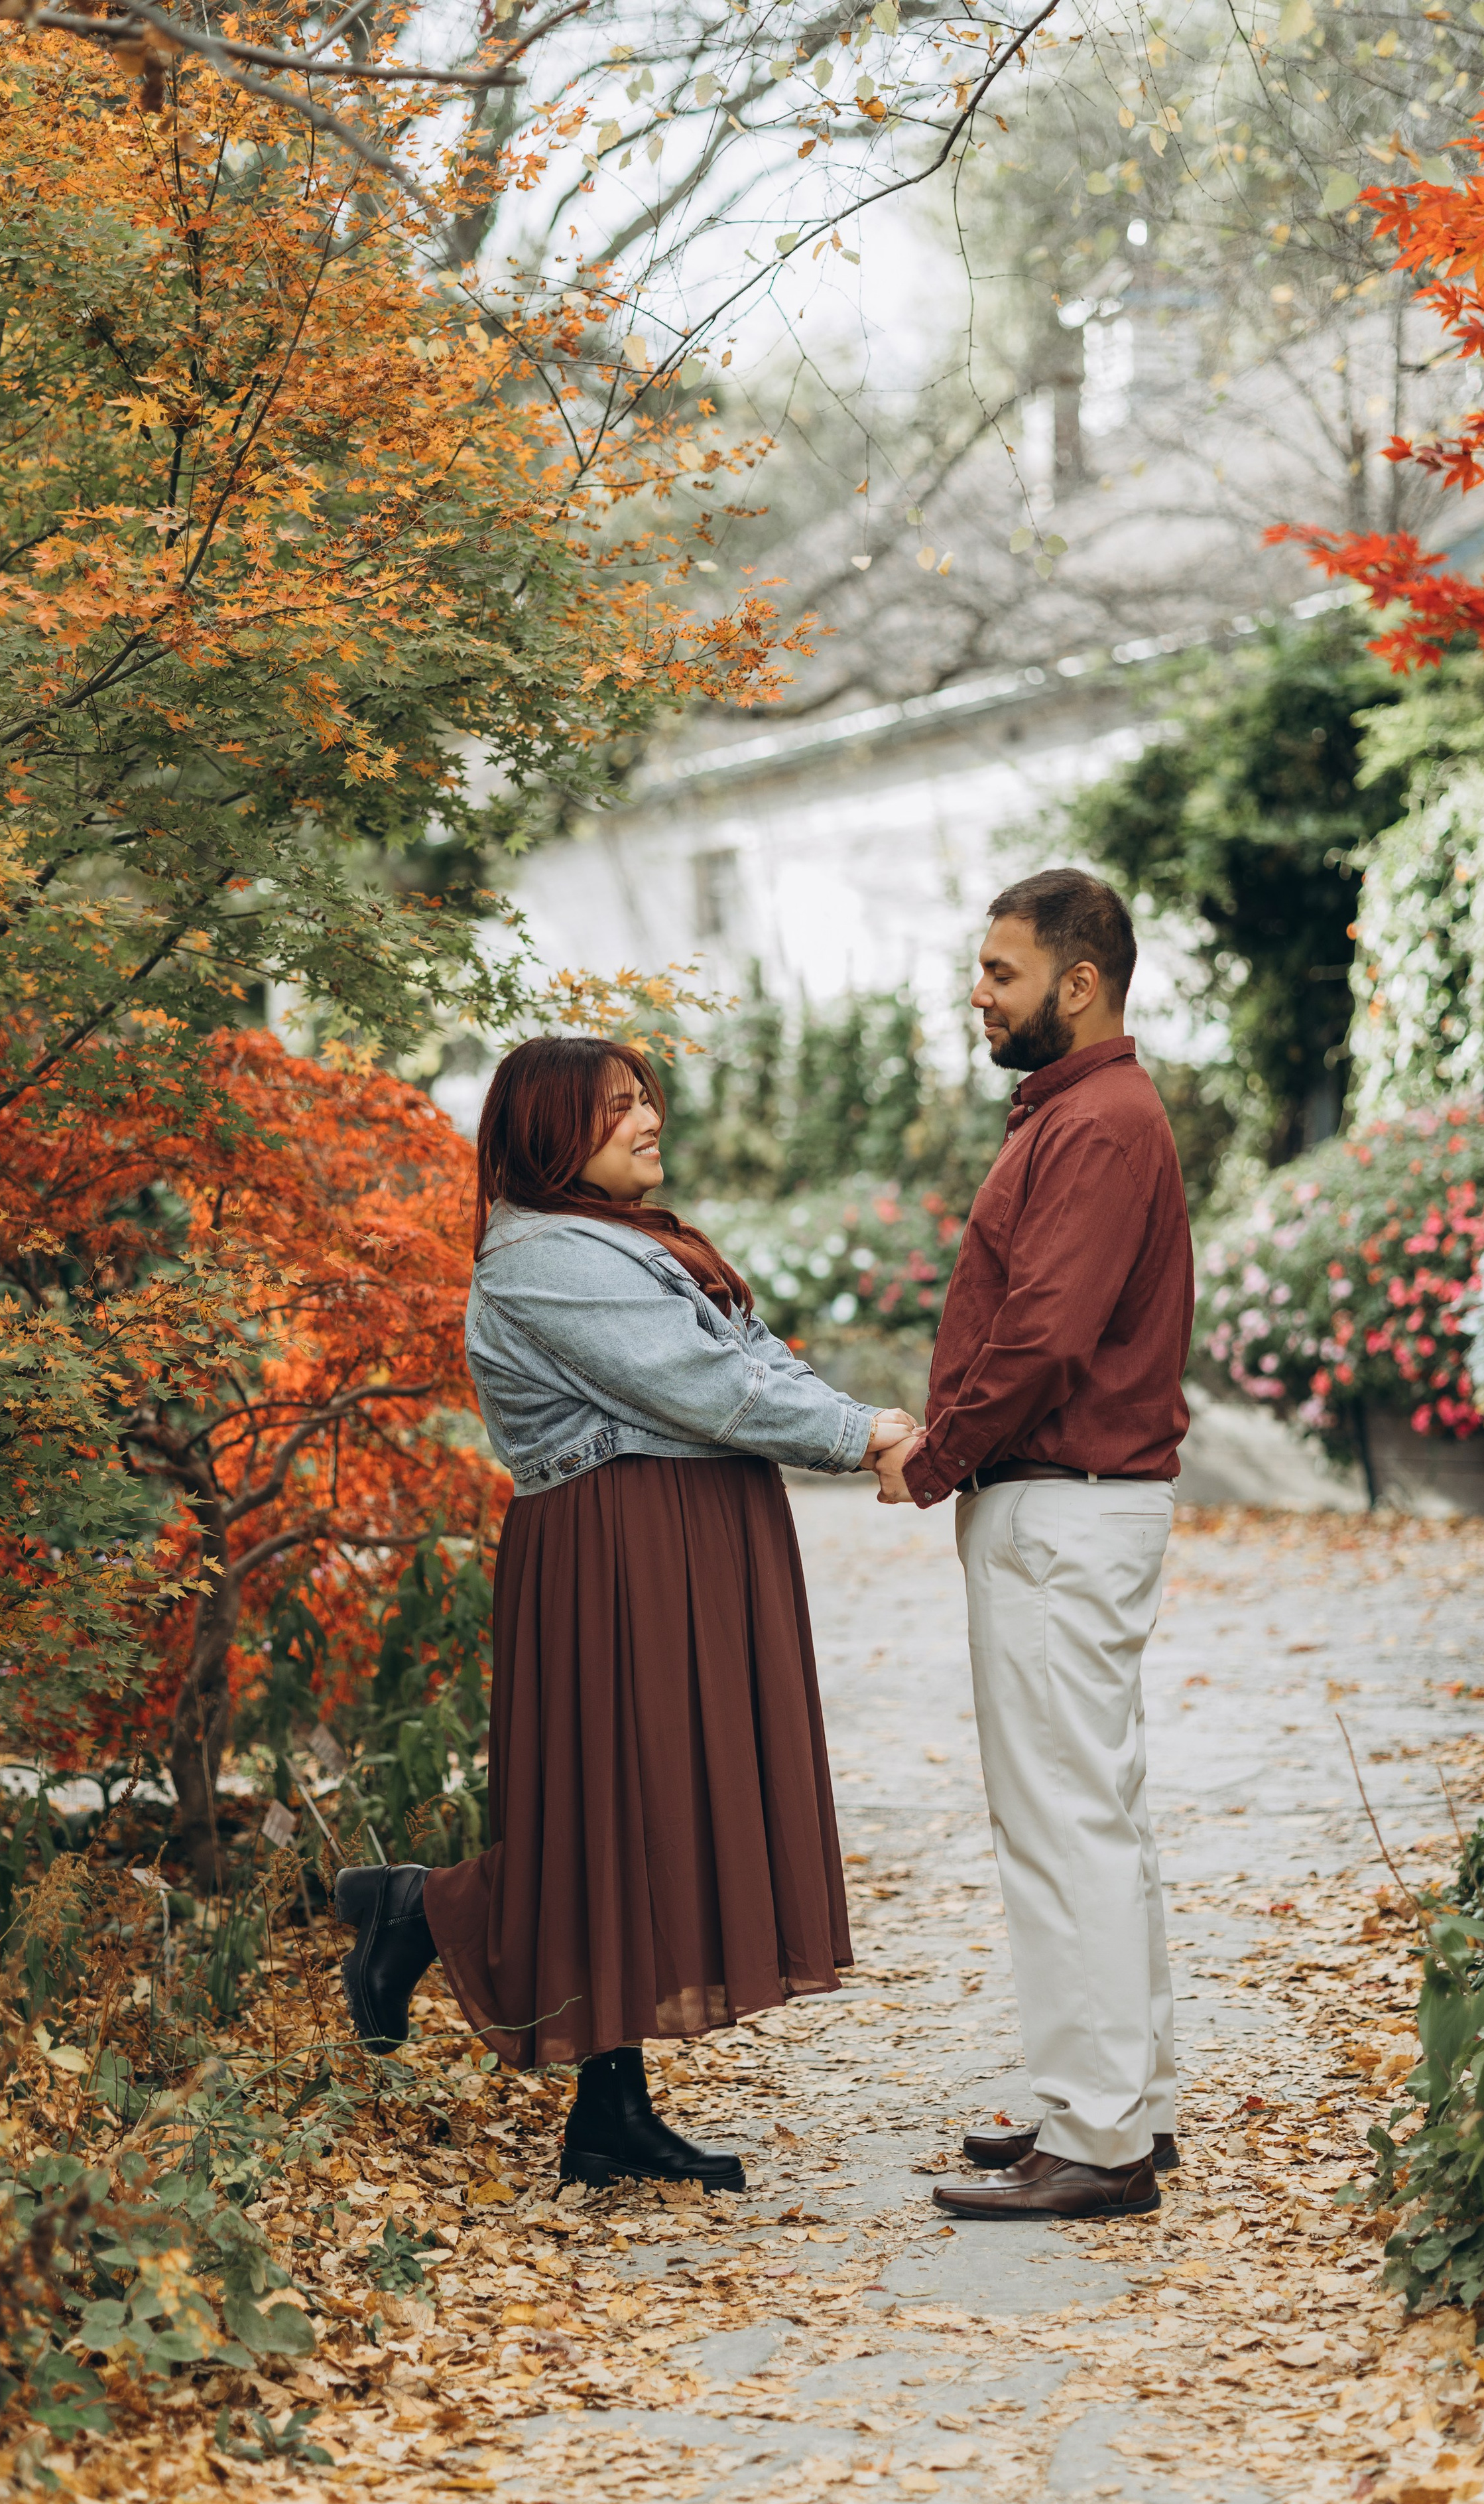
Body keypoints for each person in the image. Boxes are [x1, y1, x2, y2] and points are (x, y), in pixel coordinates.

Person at [334, 1036, 916, 2192]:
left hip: (681, 1539)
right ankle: (418, 1911)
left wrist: (872, 1422)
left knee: (667, 1807)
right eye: (616, 1107)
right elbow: (709, 1387)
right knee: (626, 1806)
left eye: (646, 1096)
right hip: (620, 1550)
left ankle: (608, 2113)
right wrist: (871, 1438)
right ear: (555, 1134)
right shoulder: (546, 1259)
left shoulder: (631, 1241)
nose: (649, 1118)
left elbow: (755, 1362)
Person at [875, 868, 1194, 2223]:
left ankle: (1102, 2142)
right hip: (1071, 1507)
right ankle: (1116, 2110)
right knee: (1090, 1817)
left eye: (999, 972)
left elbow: (1046, 1332)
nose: (977, 992)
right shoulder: (1082, 1113)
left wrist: (934, 1458)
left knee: (1061, 1825)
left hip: (1062, 1504)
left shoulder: (1099, 1124)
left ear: (1077, 982)